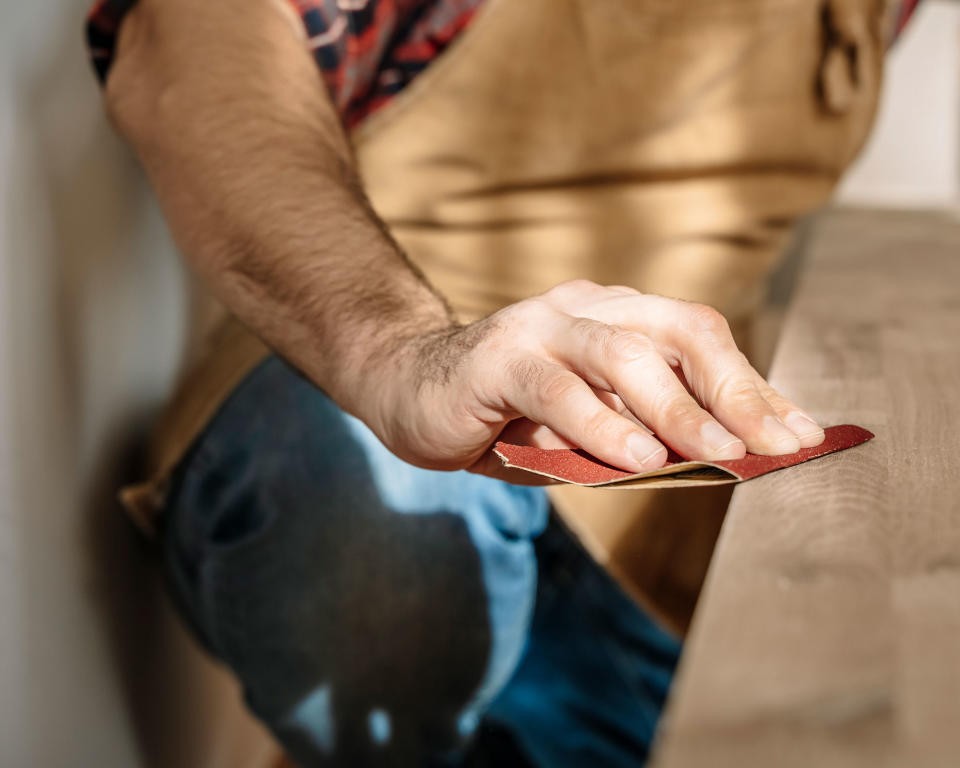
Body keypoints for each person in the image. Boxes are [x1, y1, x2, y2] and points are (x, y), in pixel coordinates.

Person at [87, 0, 915, 764]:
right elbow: (196, 40)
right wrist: (404, 353)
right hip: (366, 371)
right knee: (384, 552)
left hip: (670, 529)